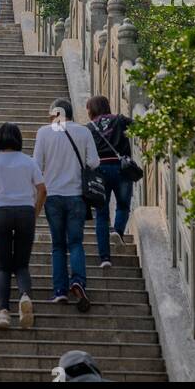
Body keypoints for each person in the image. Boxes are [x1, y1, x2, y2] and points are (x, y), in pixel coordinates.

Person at [33, 99, 100, 311]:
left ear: (54, 114)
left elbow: (36, 165)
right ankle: (78, 280)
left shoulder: (44, 133)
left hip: (52, 195)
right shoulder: (83, 132)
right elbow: (94, 162)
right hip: (77, 195)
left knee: (58, 245)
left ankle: (60, 291)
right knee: (76, 242)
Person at [0, 123, 45, 331]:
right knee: (22, 265)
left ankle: (3, 313)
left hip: (2, 212)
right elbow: (42, 190)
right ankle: (25, 296)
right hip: (25, 211)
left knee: (4, 266)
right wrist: (33, 213)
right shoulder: (29, 161)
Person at [86, 95, 135, 266]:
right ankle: (118, 231)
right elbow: (139, 127)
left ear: (92, 109)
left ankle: (105, 258)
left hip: (99, 171)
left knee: (101, 214)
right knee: (122, 205)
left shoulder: (89, 127)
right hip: (122, 168)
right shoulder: (119, 120)